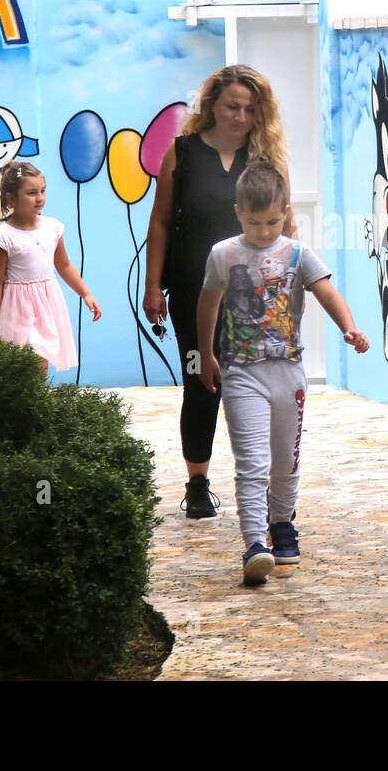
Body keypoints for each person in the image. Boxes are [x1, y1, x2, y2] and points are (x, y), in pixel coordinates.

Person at [197, 161, 369, 585]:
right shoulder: (224, 254)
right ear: (238, 212)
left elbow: (326, 290)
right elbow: (208, 303)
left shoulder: (296, 253)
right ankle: (254, 543)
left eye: (273, 221)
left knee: (285, 462)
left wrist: (348, 326)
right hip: (242, 372)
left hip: (288, 371)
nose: (264, 230)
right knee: (251, 461)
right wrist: (205, 353)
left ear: (287, 212)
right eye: (254, 222)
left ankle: (282, 524)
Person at [143, 65, 296, 520]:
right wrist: (154, 285)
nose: (241, 116)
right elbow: (161, 220)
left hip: (258, 296)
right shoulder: (181, 154)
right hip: (194, 289)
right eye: (232, 106)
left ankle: (267, 485)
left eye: (251, 109)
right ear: (211, 105)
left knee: (264, 385)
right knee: (201, 382)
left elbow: (286, 228)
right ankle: (197, 484)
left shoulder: (268, 158)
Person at [0, 162, 101, 373]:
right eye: (31, 193)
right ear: (12, 199)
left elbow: (64, 265)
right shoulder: (3, 237)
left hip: (47, 303)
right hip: (18, 307)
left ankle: (35, 401)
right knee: (24, 361)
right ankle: (23, 401)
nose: (40, 198)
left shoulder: (52, 227)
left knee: (41, 358)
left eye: (42, 191)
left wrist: (85, 293)